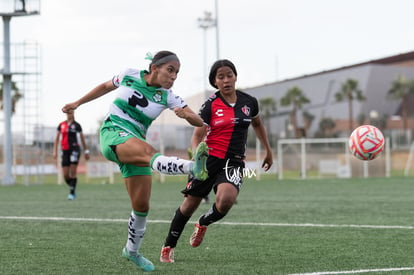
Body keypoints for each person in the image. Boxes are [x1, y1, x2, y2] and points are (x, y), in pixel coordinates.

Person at [61, 50, 208, 272]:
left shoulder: (169, 96)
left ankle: (131, 251)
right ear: (154, 68)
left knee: (141, 206)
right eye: (170, 70)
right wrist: (78, 102)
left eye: (177, 72)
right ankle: (192, 167)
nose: (174, 76)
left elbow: (200, 122)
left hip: (134, 143)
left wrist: (188, 116)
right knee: (149, 152)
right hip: (113, 133)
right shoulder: (129, 74)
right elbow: (104, 87)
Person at [160, 59, 273, 263]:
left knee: (226, 201)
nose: (226, 80)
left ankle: (203, 222)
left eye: (229, 75)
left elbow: (257, 123)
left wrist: (268, 150)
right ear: (215, 81)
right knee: (189, 205)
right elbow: (196, 136)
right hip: (209, 160)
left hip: (234, 161)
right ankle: (168, 246)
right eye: (220, 77)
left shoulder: (249, 102)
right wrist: (196, 158)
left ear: (235, 76)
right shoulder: (210, 105)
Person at [53, 111, 90, 200]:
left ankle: (72, 193)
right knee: (65, 174)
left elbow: (82, 139)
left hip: (74, 150)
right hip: (65, 150)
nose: (70, 114)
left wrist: (86, 151)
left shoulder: (77, 125)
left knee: (73, 173)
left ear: (73, 113)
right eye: (68, 113)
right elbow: (57, 139)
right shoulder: (61, 125)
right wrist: (55, 151)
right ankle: (72, 186)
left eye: (71, 112)